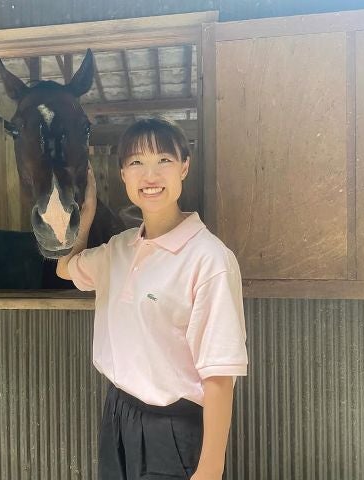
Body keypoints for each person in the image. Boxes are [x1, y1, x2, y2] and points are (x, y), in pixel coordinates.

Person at [56, 118, 248, 480]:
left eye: (164, 160)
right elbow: (64, 267)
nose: (150, 175)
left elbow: (220, 375)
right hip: (118, 414)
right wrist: (87, 213)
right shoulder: (118, 249)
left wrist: (210, 469)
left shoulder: (209, 259)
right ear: (123, 175)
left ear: (184, 166)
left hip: (173, 431)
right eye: (136, 162)